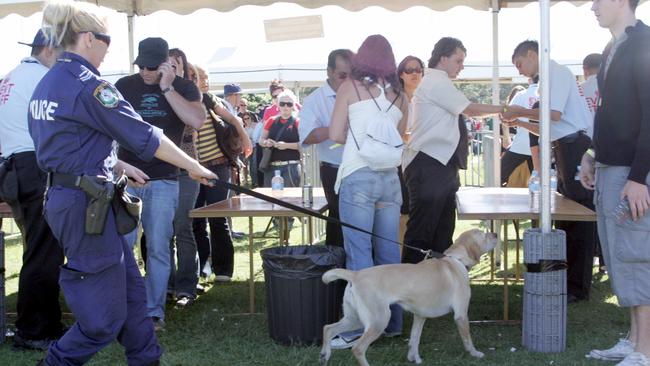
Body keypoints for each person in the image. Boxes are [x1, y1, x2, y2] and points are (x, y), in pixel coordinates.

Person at [27, 1, 216, 364]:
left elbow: (69, 146)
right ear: (87, 38)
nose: (108, 49)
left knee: (132, 298)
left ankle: (146, 359)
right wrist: (195, 166)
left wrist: (115, 164)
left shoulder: (47, 83)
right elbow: (146, 135)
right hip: (86, 207)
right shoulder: (89, 85)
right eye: (106, 40)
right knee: (102, 321)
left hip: (77, 197)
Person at [116, 37, 206, 330]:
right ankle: (123, 311)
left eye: (151, 67)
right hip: (127, 178)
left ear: (166, 64)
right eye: (140, 65)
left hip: (166, 179)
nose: (144, 71)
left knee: (158, 247)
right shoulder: (124, 85)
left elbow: (196, 120)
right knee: (122, 247)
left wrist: (167, 87)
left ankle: (154, 312)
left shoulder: (182, 86)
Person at [328, 34, 409, 349]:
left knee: (359, 252)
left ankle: (361, 328)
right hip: (390, 178)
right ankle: (392, 324)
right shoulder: (401, 96)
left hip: (358, 175)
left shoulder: (350, 87)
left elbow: (335, 133)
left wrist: (355, 130)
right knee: (389, 252)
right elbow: (398, 137)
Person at [580, 0, 650, 365]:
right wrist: (592, 154)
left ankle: (645, 351)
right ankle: (633, 340)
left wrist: (639, 178)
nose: (593, 6)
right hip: (610, 168)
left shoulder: (644, 44)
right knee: (619, 256)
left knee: (637, 255)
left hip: (632, 173)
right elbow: (611, 112)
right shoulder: (613, 47)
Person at [502, 40, 595, 303]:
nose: (520, 71)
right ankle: (569, 281)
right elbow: (546, 125)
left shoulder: (558, 72)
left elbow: (553, 115)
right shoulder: (546, 80)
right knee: (567, 214)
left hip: (575, 147)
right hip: (564, 147)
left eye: (520, 64)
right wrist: (519, 120)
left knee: (580, 216)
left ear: (532, 55)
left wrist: (520, 111)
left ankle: (578, 286)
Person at [401, 37, 503, 264]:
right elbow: (471, 109)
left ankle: (437, 289)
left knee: (441, 232)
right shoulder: (436, 82)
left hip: (439, 165)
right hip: (429, 164)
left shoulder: (439, 82)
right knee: (422, 234)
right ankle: (409, 290)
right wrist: (504, 109)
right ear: (443, 58)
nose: (462, 66)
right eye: (458, 60)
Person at [0, 29, 66, 351]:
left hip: (14, 167)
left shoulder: (11, 76)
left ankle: (42, 324)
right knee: (44, 251)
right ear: (51, 50)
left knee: (37, 249)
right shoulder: (42, 78)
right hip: (33, 165)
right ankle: (35, 330)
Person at [193, 66, 251, 283]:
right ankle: (203, 265)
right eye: (199, 78)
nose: (204, 81)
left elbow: (235, 120)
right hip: (192, 170)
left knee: (218, 218)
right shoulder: (178, 101)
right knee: (195, 220)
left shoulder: (208, 99)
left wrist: (245, 139)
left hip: (218, 167)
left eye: (206, 77)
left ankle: (224, 270)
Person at [298, 48, 353, 247]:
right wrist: (338, 128)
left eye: (352, 75)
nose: (348, 81)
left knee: (362, 224)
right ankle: (337, 270)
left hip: (363, 167)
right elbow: (307, 136)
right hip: (335, 169)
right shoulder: (314, 100)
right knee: (340, 220)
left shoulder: (361, 93)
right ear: (329, 71)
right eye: (342, 75)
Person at [396, 55, 425, 243]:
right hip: (398, 162)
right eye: (409, 70)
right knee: (402, 212)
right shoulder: (394, 99)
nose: (414, 73)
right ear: (400, 74)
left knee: (421, 212)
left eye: (418, 69)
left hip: (423, 161)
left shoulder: (428, 98)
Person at [260, 89, 302, 187]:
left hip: (291, 167)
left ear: (293, 105)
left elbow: (303, 144)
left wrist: (286, 145)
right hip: (271, 167)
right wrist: (267, 143)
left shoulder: (297, 122)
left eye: (289, 104)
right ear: (278, 105)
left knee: (290, 200)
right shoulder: (271, 121)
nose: (285, 107)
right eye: (282, 103)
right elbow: (261, 140)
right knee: (271, 199)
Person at [500, 81, 538, 186]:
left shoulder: (521, 95)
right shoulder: (549, 95)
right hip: (539, 147)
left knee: (498, 176)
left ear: (529, 80)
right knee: (540, 182)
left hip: (520, 145)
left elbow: (506, 115)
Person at [581, 52, 602, 135]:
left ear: (585, 69)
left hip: (585, 139)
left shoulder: (578, 89)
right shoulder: (612, 87)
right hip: (607, 139)